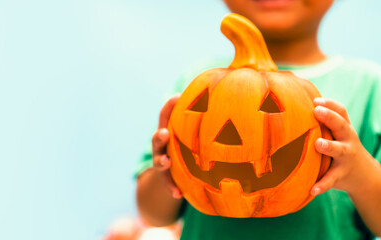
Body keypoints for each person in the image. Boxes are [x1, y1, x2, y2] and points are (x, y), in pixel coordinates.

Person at [135, 0, 381, 239]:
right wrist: (167, 168)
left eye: (271, 107)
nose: (228, 137)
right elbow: (154, 215)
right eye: (203, 106)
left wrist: (359, 174)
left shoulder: (369, 85)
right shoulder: (193, 82)